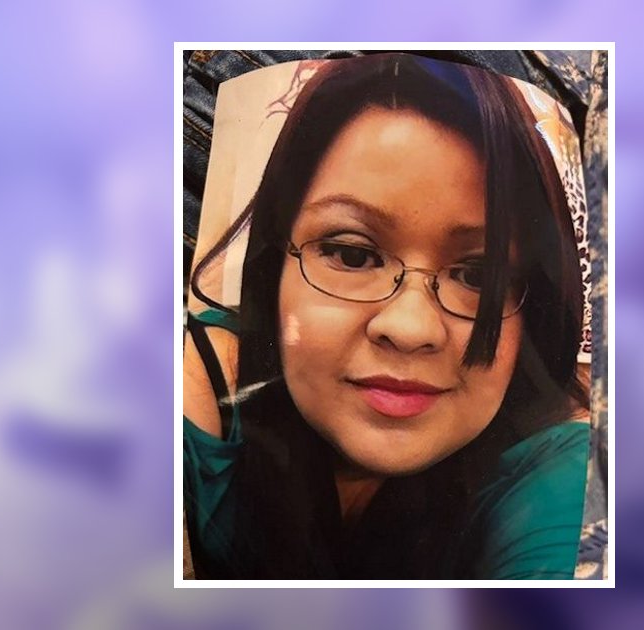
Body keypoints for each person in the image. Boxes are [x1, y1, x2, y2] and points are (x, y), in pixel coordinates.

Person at [183, 53, 589, 579]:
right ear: (274, 261)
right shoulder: (195, 385)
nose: (410, 328)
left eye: (477, 275)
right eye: (352, 255)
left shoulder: (561, 470)